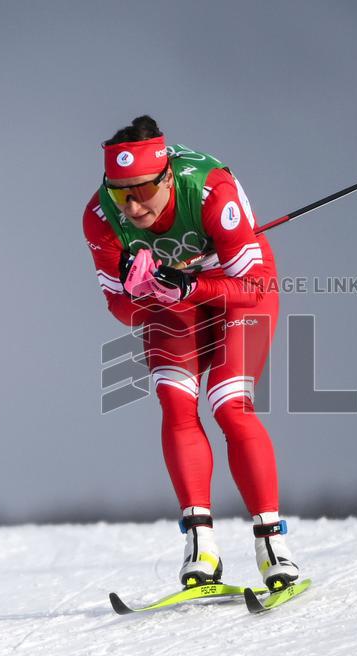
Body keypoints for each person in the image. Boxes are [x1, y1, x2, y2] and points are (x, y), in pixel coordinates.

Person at [82, 115, 300, 591]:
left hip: (233, 288)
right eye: (121, 194)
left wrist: (193, 284)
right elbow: (121, 310)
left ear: (165, 177)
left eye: (141, 190)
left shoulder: (209, 190)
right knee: (176, 399)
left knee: (228, 403)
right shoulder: (100, 217)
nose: (132, 205)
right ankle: (200, 544)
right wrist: (141, 290)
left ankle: (271, 545)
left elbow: (256, 283)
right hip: (172, 300)